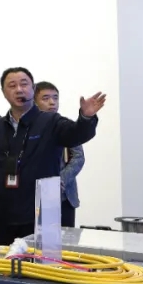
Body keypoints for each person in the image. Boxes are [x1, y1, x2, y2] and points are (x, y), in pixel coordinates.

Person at [0, 68, 105, 245]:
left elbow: (76, 134)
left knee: (44, 259)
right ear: (3, 92)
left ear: (33, 89)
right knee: (8, 258)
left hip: (43, 211)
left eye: (24, 84)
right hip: (6, 211)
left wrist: (86, 118)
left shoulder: (51, 121)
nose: (19, 89)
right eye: (12, 85)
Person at [34, 81, 85, 227]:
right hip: (35, 195)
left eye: (55, 98)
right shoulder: (28, 127)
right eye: (46, 98)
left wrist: (59, 181)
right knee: (37, 237)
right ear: (34, 102)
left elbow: (78, 158)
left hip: (65, 194)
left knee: (66, 237)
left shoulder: (65, 125)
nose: (52, 102)